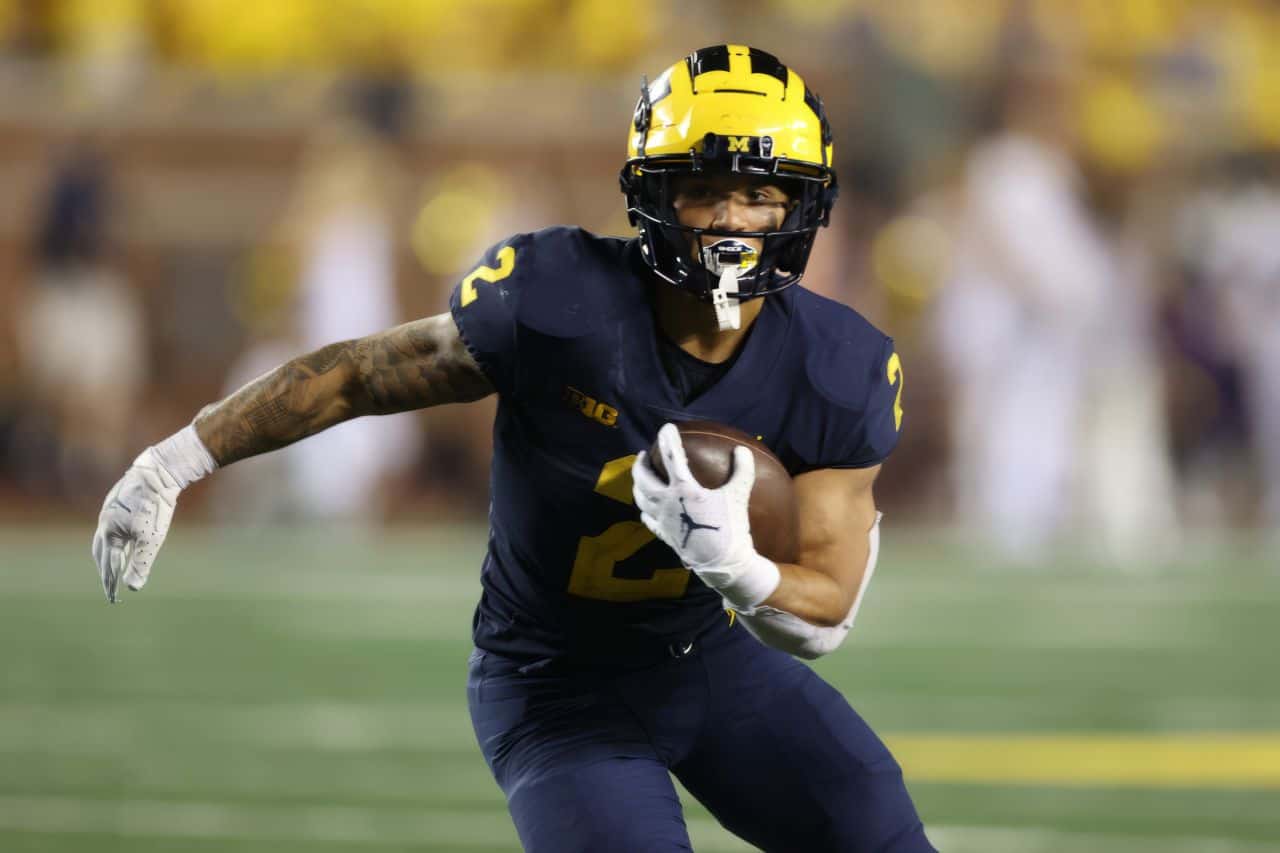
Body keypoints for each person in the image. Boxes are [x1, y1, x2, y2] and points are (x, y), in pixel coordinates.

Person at [92, 45, 933, 853]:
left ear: (803, 205)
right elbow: (357, 376)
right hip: (552, 683)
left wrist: (736, 568)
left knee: (880, 828)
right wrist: (176, 459)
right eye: (703, 189)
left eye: (759, 194)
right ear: (652, 194)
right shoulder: (558, 301)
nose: (730, 220)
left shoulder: (838, 366)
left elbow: (825, 607)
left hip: (705, 661)